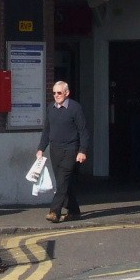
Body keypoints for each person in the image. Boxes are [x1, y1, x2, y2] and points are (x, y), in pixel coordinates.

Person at [35, 80, 90, 222]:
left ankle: (54, 211)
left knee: (63, 180)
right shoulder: (51, 108)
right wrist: (41, 148)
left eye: (59, 93)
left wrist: (82, 150)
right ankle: (74, 211)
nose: (56, 95)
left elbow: (83, 131)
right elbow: (47, 130)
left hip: (70, 149)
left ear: (67, 93)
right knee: (63, 183)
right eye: (54, 93)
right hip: (55, 150)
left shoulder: (75, 108)